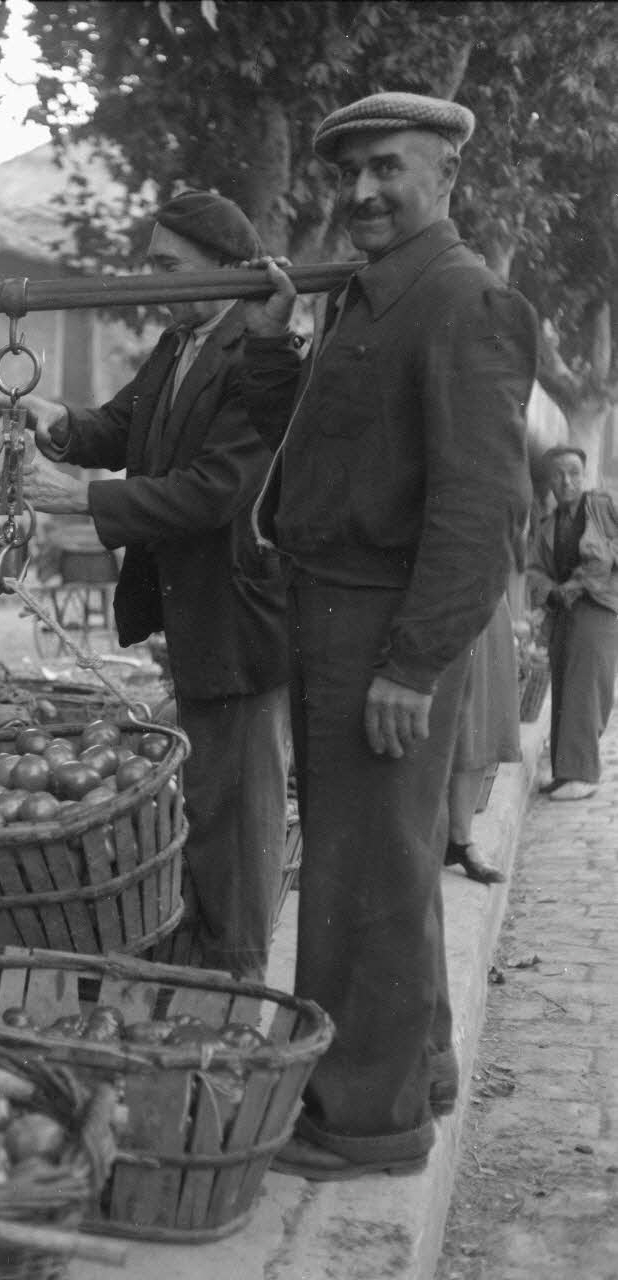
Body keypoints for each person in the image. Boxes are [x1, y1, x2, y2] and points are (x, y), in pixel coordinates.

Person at [253, 93, 538, 1179]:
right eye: (349, 174)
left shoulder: (464, 301)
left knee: (357, 878)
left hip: (385, 625)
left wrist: (413, 663)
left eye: (389, 169)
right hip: (331, 611)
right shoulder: (367, 300)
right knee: (388, 861)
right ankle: (418, 1061)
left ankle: (360, 1120)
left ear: (446, 177)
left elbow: (481, 511)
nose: (363, 191)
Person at [12, 190, 304, 982]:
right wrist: (57, 421)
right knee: (207, 790)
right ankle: (205, 944)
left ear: (227, 269)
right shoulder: (181, 343)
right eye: (151, 264)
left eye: (169, 265)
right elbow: (121, 426)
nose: (153, 280)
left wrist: (81, 499)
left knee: (241, 803)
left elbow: (214, 489)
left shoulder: (257, 354)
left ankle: (237, 970)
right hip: (191, 600)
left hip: (240, 607)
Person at [526, 445, 618, 801]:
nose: (567, 481)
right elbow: (534, 570)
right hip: (563, 610)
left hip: (597, 607)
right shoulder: (548, 524)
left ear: (585, 474)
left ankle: (584, 774)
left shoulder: (602, 508)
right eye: (559, 474)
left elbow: (605, 555)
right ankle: (566, 771)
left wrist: (582, 581)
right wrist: (553, 591)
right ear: (550, 479)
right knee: (564, 683)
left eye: (575, 473)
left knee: (585, 687)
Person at [443, 593, 522, 884]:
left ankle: (460, 839)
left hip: (482, 592)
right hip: (431, 599)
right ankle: (432, 836)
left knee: (481, 719)